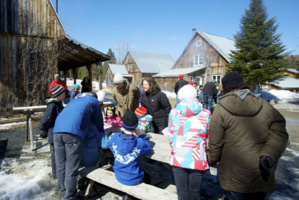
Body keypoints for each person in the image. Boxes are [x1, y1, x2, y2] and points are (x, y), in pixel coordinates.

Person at [208, 72, 289, 200]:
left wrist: (212, 159)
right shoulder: (264, 105)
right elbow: (280, 133)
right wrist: (269, 153)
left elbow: (215, 141)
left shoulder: (220, 109)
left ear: (225, 88)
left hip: (234, 173)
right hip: (260, 171)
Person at [53, 91, 105, 200]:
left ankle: (63, 191)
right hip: (73, 133)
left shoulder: (75, 100)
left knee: (61, 164)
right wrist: (102, 132)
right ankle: (70, 197)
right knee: (71, 167)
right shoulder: (93, 101)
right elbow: (98, 119)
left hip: (57, 131)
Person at [167, 84, 211, 200]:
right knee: (195, 193)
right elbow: (208, 138)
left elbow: (170, 135)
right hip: (197, 157)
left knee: (182, 193)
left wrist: (174, 148)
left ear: (181, 97)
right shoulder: (206, 113)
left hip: (179, 157)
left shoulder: (174, 113)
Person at [108, 111, 152, 186]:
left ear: (122, 124)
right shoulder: (139, 142)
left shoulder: (114, 137)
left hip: (119, 175)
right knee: (148, 176)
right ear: (136, 126)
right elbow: (149, 149)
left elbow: (109, 145)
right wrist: (141, 136)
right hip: (134, 178)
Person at [38, 85, 65, 178]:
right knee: (55, 155)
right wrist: (44, 129)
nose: (65, 94)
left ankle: (59, 172)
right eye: (63, 93)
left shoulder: (59, 103)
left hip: (58, 132)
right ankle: (56, 174)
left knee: (59, 154)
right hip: (53, 133)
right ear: (58, 95)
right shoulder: (53, 105)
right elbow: (45, 120)